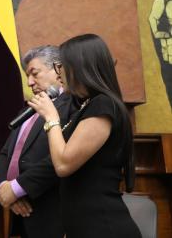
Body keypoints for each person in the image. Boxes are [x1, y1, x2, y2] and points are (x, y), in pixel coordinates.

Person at [29, 34, 141, 237]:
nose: (58, 72)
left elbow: (63, 165)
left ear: (79, 67)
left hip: (104, 228)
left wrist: (51, 117)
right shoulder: (85, 105)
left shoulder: (103, 104)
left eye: (61, 65)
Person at [0, 45, 72, 238]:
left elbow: (59, 159)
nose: (29, 82)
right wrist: (6, 189)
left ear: (57, 70)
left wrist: (17, 189)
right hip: (20, 210)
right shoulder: (27, 111)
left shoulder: (72, 106)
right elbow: (6, 154)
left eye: (34, 73)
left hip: (51, 212)